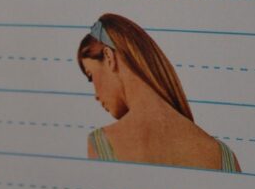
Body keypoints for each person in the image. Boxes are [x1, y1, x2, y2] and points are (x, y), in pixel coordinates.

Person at [77, 13, 240, 172]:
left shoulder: (101, 143)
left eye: (91, 76)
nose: (96, 96)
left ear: (109, 57)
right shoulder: (223, 155)